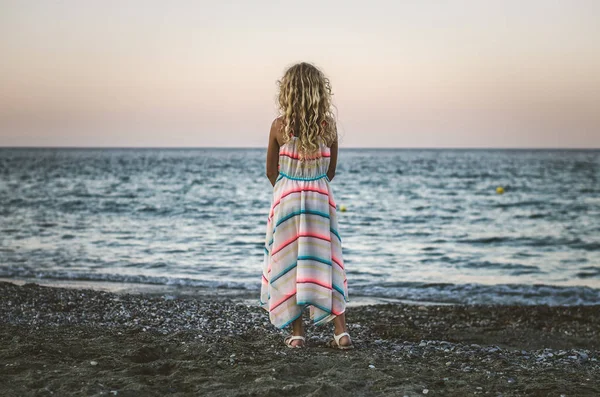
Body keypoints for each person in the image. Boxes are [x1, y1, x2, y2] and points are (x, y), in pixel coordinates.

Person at [259, 62, 353, 349]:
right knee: (326, 262)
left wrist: (287, 188)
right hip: (319, 200)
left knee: (289, 262)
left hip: (287, 198)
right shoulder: (329, 127)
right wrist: (312, 185)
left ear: (287, 92)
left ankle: (298, 335)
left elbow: (270, 171)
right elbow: (331, 171)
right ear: (318, 92)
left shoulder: (279, 126)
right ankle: (341, 332)